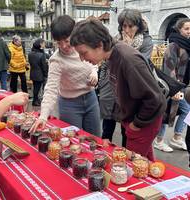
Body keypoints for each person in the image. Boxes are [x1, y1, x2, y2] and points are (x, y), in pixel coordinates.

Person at [70, 19, 166, 161]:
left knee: (132, 166)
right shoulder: (111, 56)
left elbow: (155, 99)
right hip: (134, 118)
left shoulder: (128, 60)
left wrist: (136, 124)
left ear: (99, 45)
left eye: (84, 53)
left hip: (144, 121)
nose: (82, 58)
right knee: (146, 162)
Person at [30, 15, 101, 137]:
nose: (63, 46)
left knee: (94, 138)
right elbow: (51, 89)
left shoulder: (83, 47)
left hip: (90, 98)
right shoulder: (56, 60)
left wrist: (94, 72)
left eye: (67, 41)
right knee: (73, 140)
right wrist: (43, 115)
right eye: (59, 42)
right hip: (69, 104)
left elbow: (94, 61)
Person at [99, 9, 153, 147]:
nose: (127, 30)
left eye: (131, 26)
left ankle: (124, 157)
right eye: (124, 26)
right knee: (108, 124)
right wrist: (102, 82)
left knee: (126, 128)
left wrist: (128, 48)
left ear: (138, 26)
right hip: (110, 87)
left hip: (129, 90)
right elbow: (106, 62)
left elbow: (143, 65)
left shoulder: (145, 42)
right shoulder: (116, 39)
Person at [154, 18, 190, 152]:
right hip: (171, 86)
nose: (189, 32)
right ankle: (159, 140)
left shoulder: (187, 45)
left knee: (184, 111)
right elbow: (169, 69)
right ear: (179, 29)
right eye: (186, 29)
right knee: (167, 112)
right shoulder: (173, 46)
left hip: (183, 86)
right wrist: (174, 89)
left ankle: (177, 136)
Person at [28, 38, 48, 106]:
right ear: (40, 44)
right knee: (38, 88)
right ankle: (35, 101)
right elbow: (44, 66)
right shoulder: (41, 55)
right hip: (40, 74)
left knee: (35, 88)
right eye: (43, 43)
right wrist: (46, 74)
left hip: (33, 72)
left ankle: (35, 100)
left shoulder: (30, 54)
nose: (44, 45)